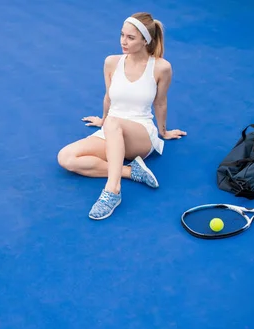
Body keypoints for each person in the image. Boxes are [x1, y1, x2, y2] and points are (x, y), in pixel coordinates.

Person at [57, 12, 187, 220]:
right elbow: (108, 97)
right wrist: (102, 120)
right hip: (111, 130)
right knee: (66, 158)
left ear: (146, 40)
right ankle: (130, 172)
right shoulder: (111, 62)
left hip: (140, 136)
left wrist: (163, 132)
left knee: (113, 123)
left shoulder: (162, 67)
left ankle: (113, 191)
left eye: (130, 38)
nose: (123, 42)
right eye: (122, 35)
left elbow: (160, 102)